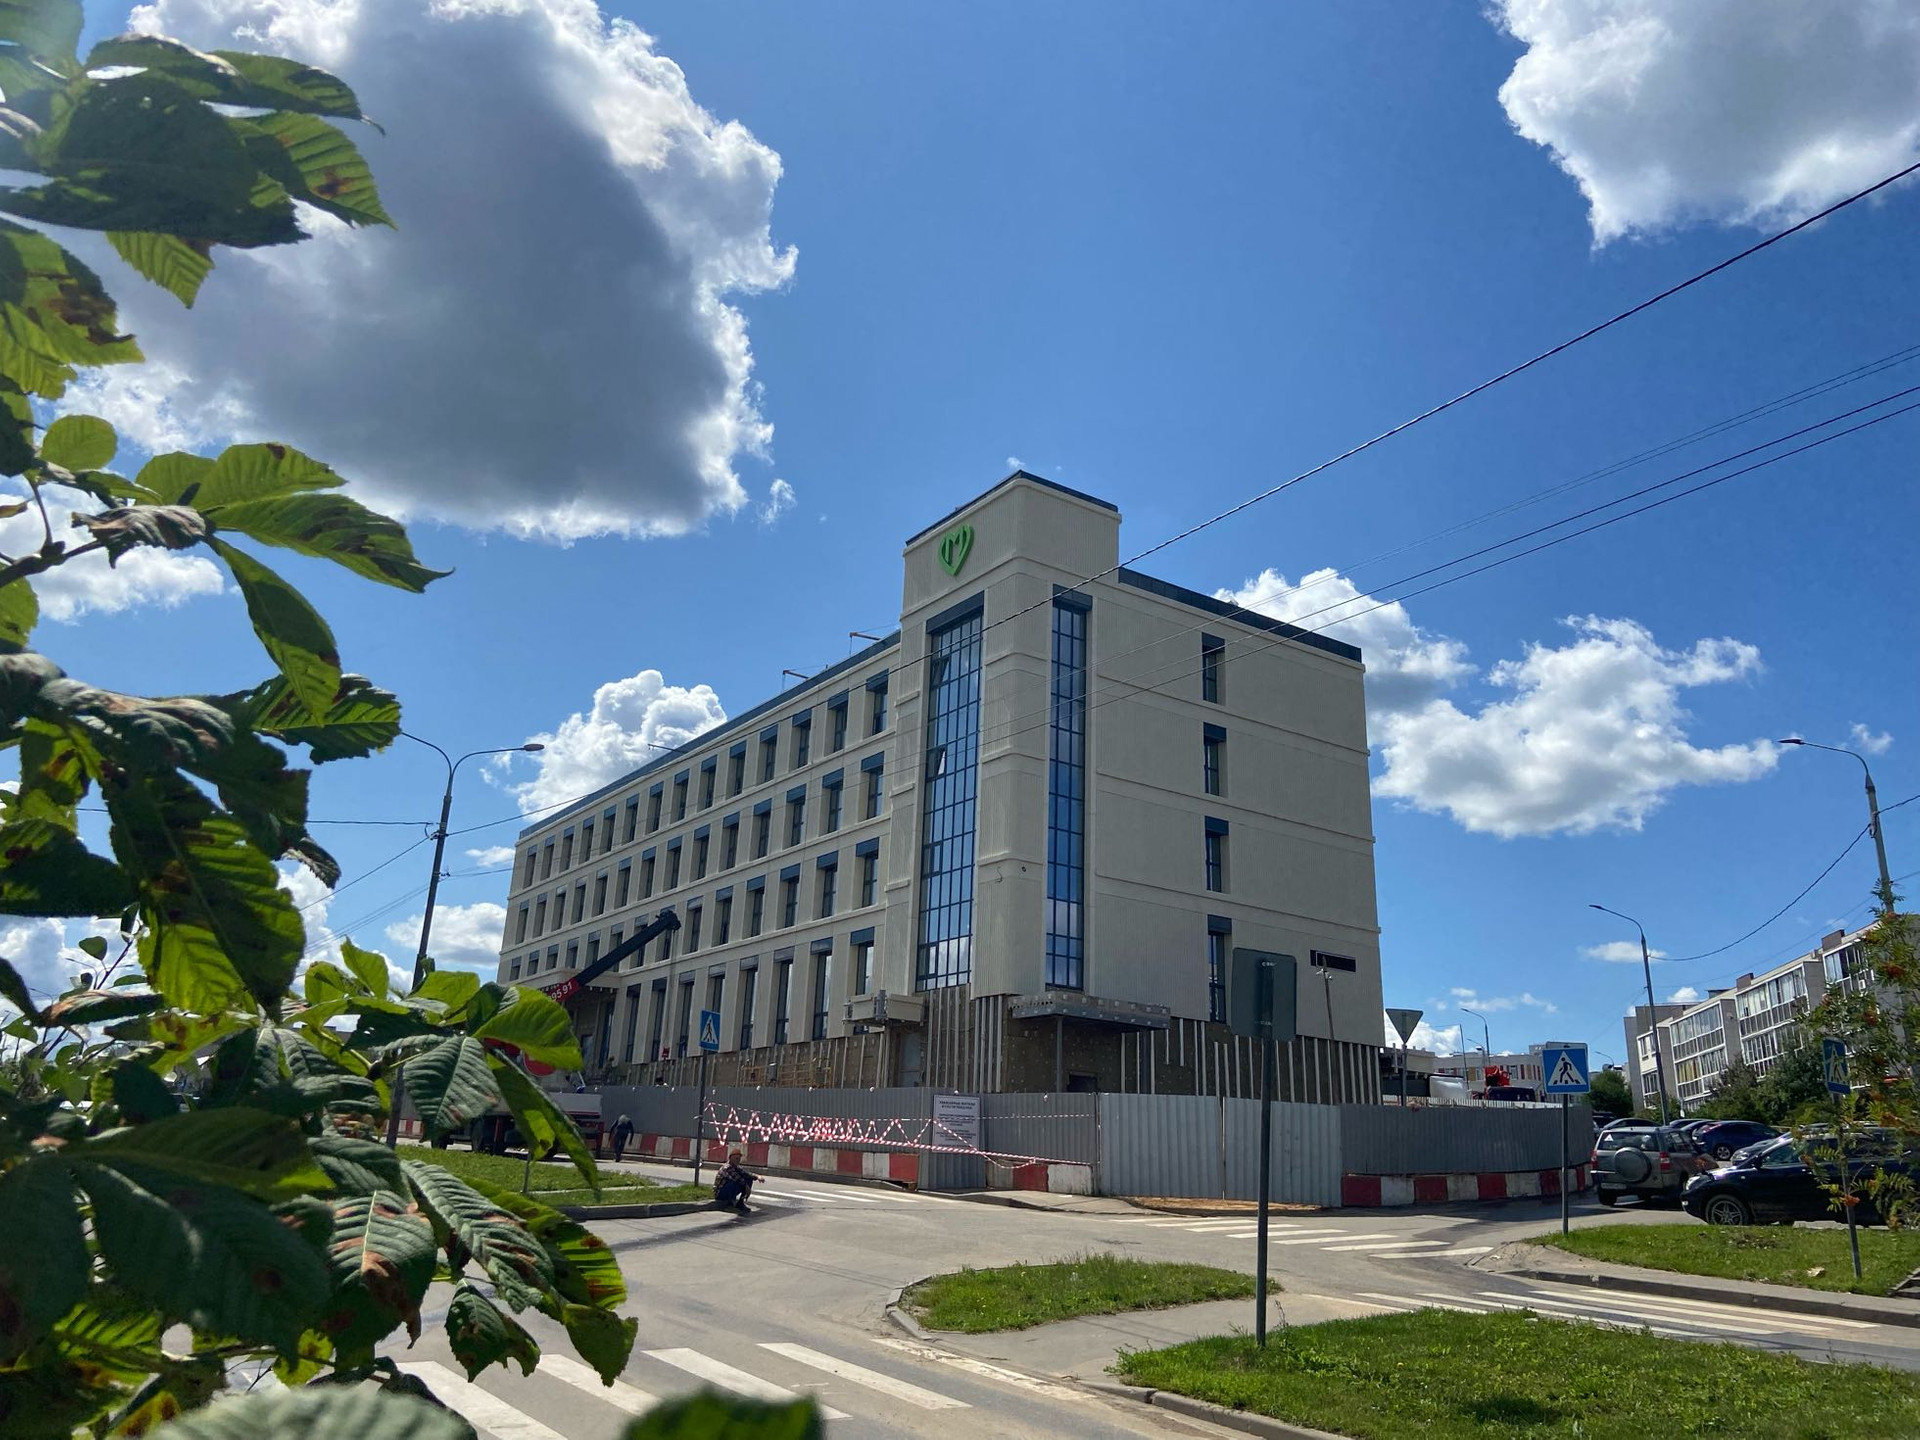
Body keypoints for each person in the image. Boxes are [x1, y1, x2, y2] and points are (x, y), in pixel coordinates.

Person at [713, 1149, 757, 1214]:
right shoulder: (727, 1167)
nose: (738, 1160)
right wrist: (747, 1187)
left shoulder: (736, 1167)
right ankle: (729, 1205)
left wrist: (757, 1177)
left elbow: (746, 1173)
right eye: (736, 1158)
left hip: (728, 1190)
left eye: (739, 1159)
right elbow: (738, 1179)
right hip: (720, 1193)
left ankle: (740, 1203)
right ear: (730, 1158)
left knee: (748, 1179)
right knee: (732, 1182)